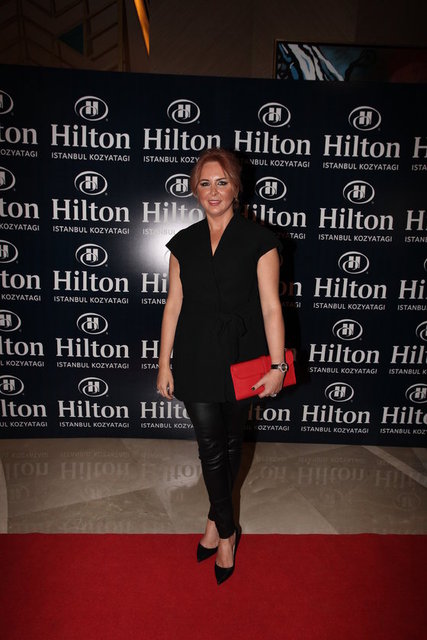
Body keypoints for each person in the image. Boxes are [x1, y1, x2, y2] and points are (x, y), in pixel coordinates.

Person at [157, 148, 286, 585]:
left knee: (231, 443)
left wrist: (277, 365)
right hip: (195, 354)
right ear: (195, 190)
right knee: (210, 446)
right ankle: (228, 533)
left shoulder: (260, 241)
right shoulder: (182, 243)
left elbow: (271, 308)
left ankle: (214, 520)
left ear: (236, 187)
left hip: (242, 354)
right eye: (205, 183)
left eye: (222, 182)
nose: (213, 191)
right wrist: (163, 363)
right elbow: (172, 306)